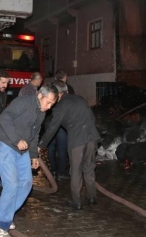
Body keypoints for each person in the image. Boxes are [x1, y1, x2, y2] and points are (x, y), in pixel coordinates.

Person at [0, 84, 58, 237]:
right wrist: (16, 139)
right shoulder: (24, 102)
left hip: (22, 150)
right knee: (12, 184)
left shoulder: (41, 113)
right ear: (40, 95)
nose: (49, 107)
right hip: (5, 144)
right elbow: (4, 117)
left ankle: (5, 216)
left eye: (52, 105)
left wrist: (34, 156)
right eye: (48, 102)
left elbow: (34, 135)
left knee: (26, 183)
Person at [39, 82, 101, 210]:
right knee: (89, 168)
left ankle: (76, 201)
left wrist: (41, 145)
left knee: (75, 170)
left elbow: (52, 128)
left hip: (77, 142)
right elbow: (91, 117)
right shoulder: (80, 98)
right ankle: (91, 197)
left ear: (58, 94)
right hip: (92, 138)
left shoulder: (61, 105)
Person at [46, 69, 73, 181]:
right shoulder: (68, 89)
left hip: (49, 121)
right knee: (62, 148)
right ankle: (61, 173)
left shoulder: (49, 88)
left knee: (51, 147)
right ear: (65, 77)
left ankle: (53, 170)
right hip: (62, 123)